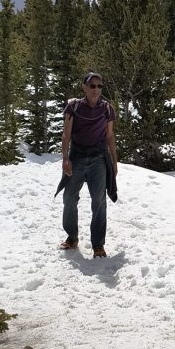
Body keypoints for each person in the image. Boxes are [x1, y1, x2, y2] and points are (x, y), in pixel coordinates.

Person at [60, 71, 118, 258]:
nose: (96, 89)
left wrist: (114, 162)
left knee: (99, 201)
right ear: (84, 87)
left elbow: (110, 136)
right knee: (69, 198)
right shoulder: (74, 107)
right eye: (92, 85)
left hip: (98, 159)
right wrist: (65, 158)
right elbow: (66, 134)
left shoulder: (107, 109)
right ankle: (72, 237)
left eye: (99, 86)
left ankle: (98, 245)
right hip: (77, 157)